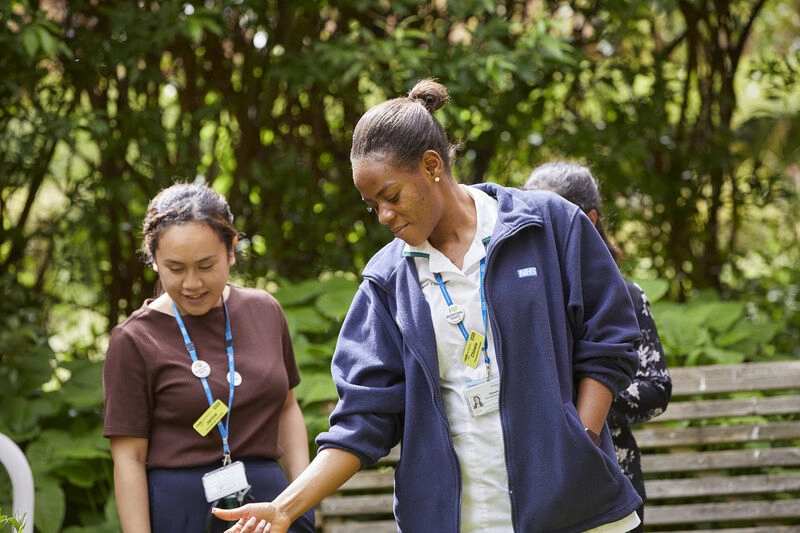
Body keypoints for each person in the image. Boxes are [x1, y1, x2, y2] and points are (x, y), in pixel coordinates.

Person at [214, 78, 643, 533]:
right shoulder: (386, 282)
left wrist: (579, 437)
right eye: (371, 205)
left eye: (391, 196)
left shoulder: (548, 225)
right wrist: (284, 508)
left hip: (577, 514)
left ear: (432, 165)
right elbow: (363, 418)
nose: (383, 216)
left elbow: (610, 338)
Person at [102, 182, 315, 533]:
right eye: (175, 268)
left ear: (231, 251)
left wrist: (302, 501)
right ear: (154, 260)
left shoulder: (264, 310)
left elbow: (287, 407)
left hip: (271, 508)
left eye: (205, 265)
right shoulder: (134, 339)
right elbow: (129, 457)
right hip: (181, 514)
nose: (192, 283)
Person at [524, 161, 673, 532]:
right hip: (536, 483)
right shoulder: (520, 295)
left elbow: (656, 388)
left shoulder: (623, 295)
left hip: (611, 476)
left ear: (588, 221)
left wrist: (584, 400)